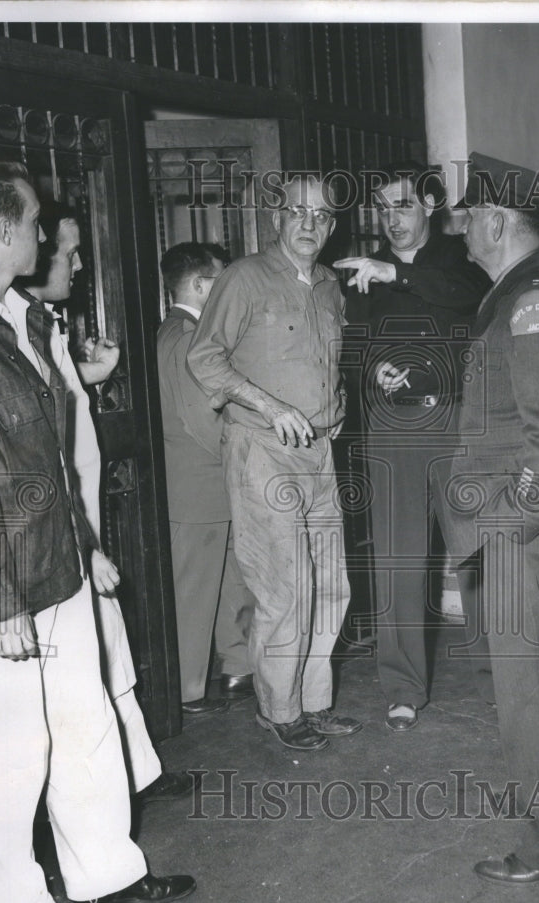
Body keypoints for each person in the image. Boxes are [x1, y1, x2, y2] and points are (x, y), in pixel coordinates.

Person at [0, 162, 195, 903]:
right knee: (7, 751)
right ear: (5, 230)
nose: (46, 236)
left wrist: (85, 545)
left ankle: (104, 873)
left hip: (58, 562)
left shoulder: (22, 316)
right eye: (37, 222)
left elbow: (47, 454)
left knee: (85, 722)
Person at [440, 152, 539, 884]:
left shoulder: (535, 302)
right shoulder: (516, 292)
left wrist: (506, 526)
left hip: (527, 530)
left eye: (466, 216)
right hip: (518, 525)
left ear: (497, 220)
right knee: (535, 691)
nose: (460, 229)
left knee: (538, 696)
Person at [14, 202, 196, 803]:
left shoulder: (44, 319)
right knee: (86, 657)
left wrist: (95, 372)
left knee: (109, 643)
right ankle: (112, 790)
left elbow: (59, 395)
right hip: (58, 530)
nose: (77, 263)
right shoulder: (14, 323)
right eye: (66, 251)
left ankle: (139, 770)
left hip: (83, 513)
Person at [187, 174, 361, 752]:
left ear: (332, 226)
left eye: (321, 215)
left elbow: (329, 367)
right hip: (262, 449)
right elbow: (204, 357)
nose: (309, 225)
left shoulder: (332, 286)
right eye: (297, 212)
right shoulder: (243, 278)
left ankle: (314, 703)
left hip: (320, 454)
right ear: (276, 219)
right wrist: (269, 404)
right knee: (283, 589)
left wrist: (334, 415)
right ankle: (279, 710)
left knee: (330, 586)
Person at [334, 162, 490, 732]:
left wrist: (394, 272)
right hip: (393, 427)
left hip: (455, 422)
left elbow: (465, 297)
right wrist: (376, 371)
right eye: (381, 207)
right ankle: (401, 687)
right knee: (398, 560)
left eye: (401, 205)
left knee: (475, 550)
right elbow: (354, 342)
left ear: (429, 206)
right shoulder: (362, 272)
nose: (390, 217)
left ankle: (499, 676)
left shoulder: (459, 255)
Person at [156, 242, 254, 715]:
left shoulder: (187, 332)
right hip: (197, 485)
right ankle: (188, 692)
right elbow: (200, 419)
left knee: (230, 583)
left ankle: (238, 668)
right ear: (198, 285)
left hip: (211, 486)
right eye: (220, 278)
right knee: (194, 593)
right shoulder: (185, 334)